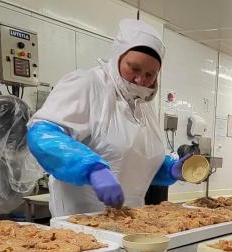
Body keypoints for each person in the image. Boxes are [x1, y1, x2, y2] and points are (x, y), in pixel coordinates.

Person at [26, 19, 189, 216]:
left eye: (150, 74)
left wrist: (168, 169)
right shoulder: (87, 85)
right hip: (81, 222)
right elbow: (43, 134)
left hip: (130, 220)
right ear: (118, 56)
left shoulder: (144, 104)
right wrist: (92, 169)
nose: (141, 80)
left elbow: (135, 160)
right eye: (134, 68)